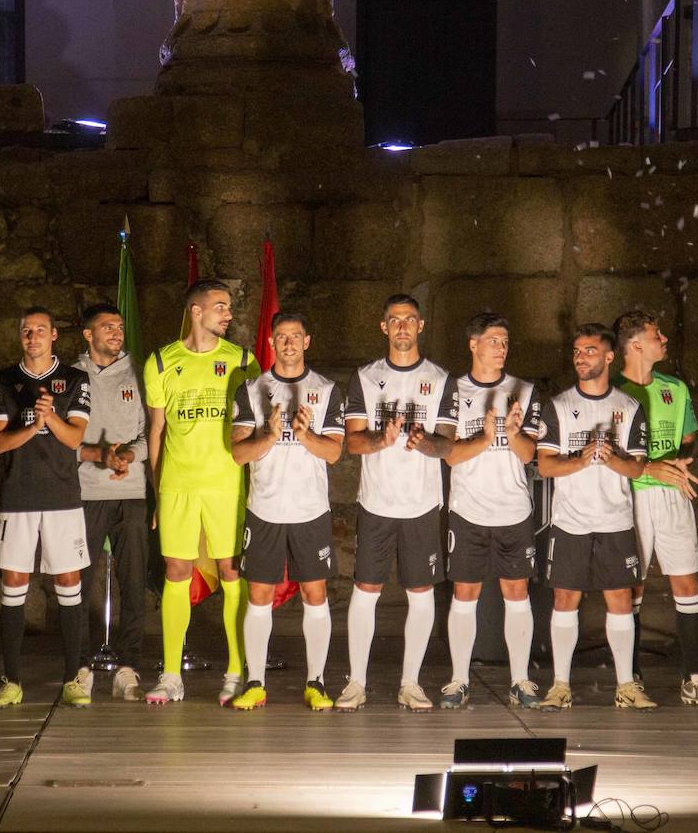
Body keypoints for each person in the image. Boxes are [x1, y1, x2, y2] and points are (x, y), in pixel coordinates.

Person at [337, 294, 456, 713]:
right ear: (384, 327)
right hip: (376, 502)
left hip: (422, 505)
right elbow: (352, 441)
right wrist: (381, 439)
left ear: (421, 326)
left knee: (421, 593)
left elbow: (448, 447)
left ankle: (411, 683)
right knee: (365, 590)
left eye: (410, 320)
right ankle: (356, 683)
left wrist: (423, 442)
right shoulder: (366, 378)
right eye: (395, 320)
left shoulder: (441, 379)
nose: (402, 327)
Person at [142, 279, 259, 705]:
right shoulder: (160, 361)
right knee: (176, 571)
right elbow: (156, 430)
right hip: (178, 484)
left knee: (231, 572)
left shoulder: (243, 360)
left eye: (229, 308)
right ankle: (171, 674)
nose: (229, 315)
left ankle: (236, 670)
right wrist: (157, 494)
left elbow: (254, 428)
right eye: (221, 307)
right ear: (196, 311)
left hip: (226, 483)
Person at [229, 312, 344, 711]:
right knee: (258, 594)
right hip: (265, 509)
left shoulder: (327, 390)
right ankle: (255, 682)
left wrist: (306, 434)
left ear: (307, 341)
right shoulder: (251, 389)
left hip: (310, 510)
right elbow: (238, 453)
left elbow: (334, 453)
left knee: (315, 592)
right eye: (281, 337)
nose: (289, 343)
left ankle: (316, 682)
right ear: (272, 344)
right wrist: (270, 435)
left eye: (296, 336)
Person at [537, 323, 655, 711]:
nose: (581, 357)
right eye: (576, 351)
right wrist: (581, 458)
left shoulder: (629, 407)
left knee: (620, 598)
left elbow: (637, 470)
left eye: (589, 350)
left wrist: (613, 458)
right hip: (570, 520)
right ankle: (560, 685)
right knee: (565, 597)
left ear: (609, 357)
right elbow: (545, 465)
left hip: (614, 520)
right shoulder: (557, 406)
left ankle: (625, 685)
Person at [0, 308, 92, 708]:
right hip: (18, 497)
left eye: (40, 331)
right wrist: (33, 425)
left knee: (68, 582)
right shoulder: (3, 381)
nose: (32, 337)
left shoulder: (74, 380)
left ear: (53, 337)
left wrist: (51, 417)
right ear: (20, 337)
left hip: (62, 497)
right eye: (26, 331)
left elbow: (73, 440)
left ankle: (71, 680)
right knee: (13, 584)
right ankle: (11, 680)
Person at [612, 310, 698, 707]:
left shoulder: (674, 386)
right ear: (636, 344)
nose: (665, 340)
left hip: (673, 493)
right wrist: (648, 467)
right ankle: (630, 679)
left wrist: (680, 460)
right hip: (631, 495)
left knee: (687, 584)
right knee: (631, 588)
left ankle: (694, 677)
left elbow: (689, 437)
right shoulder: (611, 391)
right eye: (658, 335)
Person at [439, 312, 543, 710]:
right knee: (465, 593)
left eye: (505, 342)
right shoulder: (453, 390)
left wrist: (513, 435)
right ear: (473, 344)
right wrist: (485, 437)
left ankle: (521, 681)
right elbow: (450, 455)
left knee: (516, 592)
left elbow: (530, 453)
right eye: (493, 341)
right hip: (468, 509)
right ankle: (458, 680)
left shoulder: (525, 390)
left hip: (513, 509)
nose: (501, 348)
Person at [73, 303, 149, 702]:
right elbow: (61, 441)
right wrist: (99, 455)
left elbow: (145, 433)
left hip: (131, 492)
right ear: (88, 334)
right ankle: (81, 666)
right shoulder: (71, 376)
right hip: (87, 494)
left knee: (134, 583)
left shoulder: (135, 375)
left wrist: (128, 458)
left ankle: (128, 667)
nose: (117, 333)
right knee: (80, 583)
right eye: (107, 327)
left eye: (120, 326)